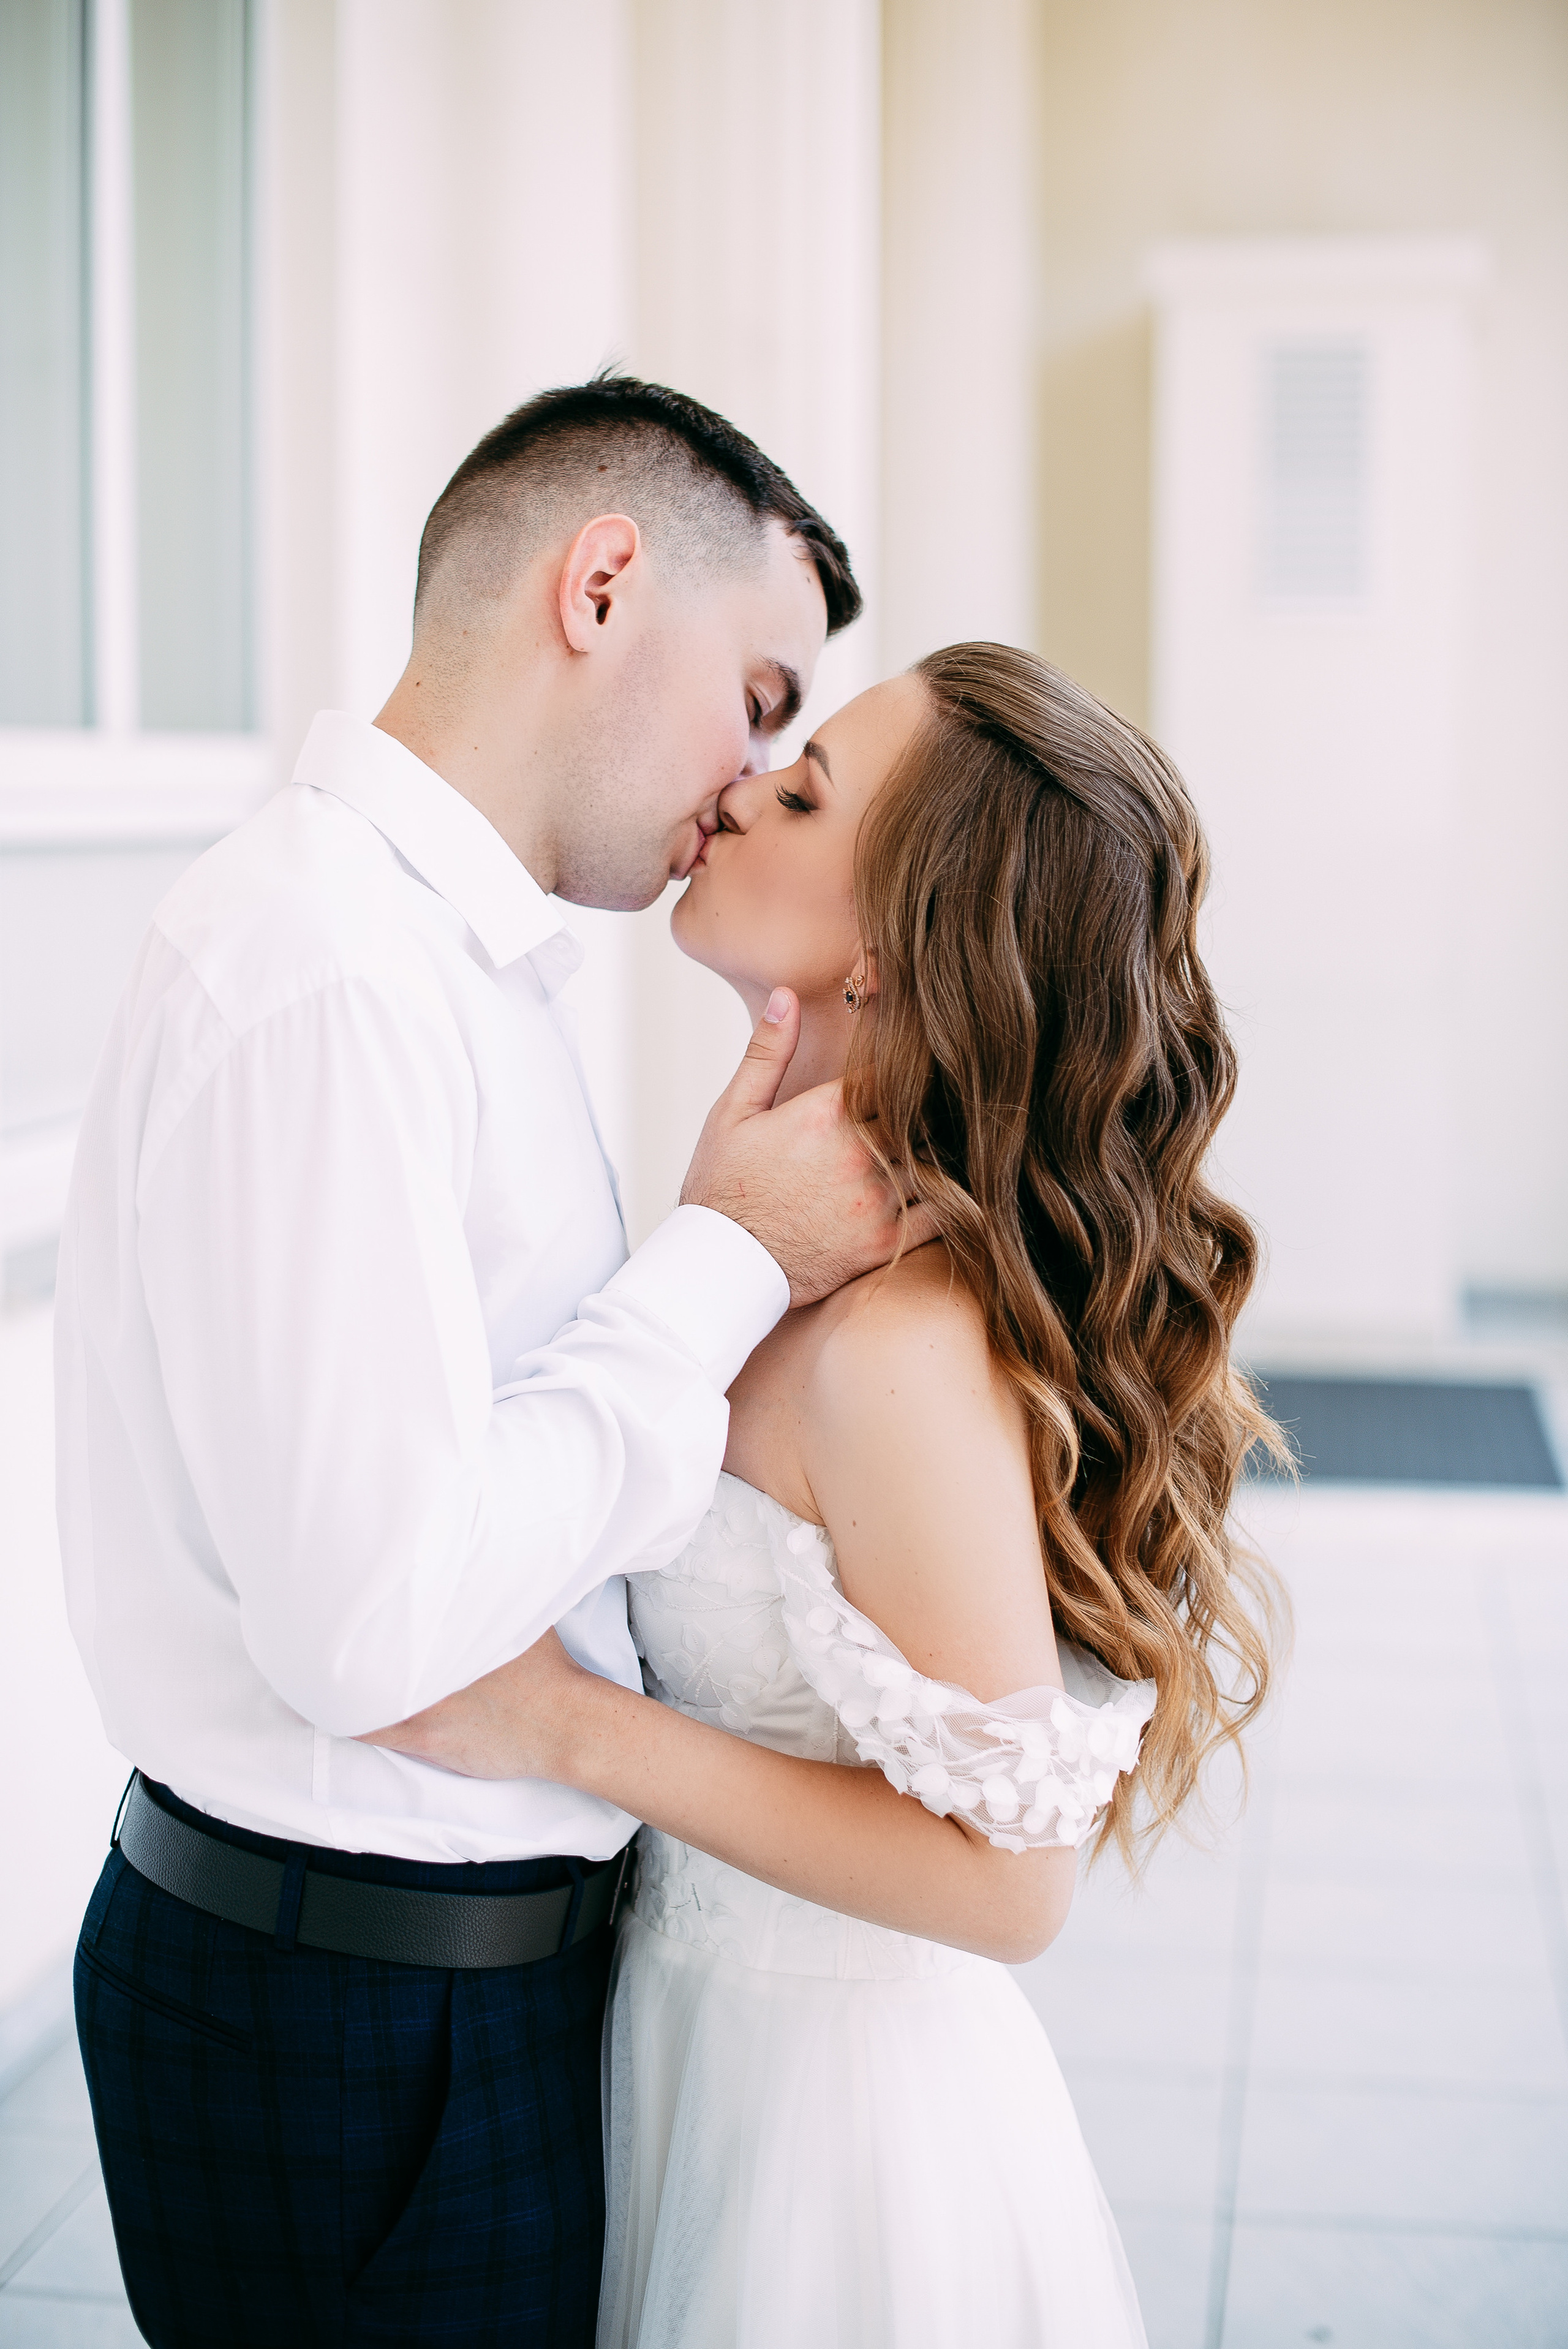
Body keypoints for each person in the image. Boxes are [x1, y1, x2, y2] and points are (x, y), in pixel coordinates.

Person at [57, 377, 932, 2349]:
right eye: (765, 697)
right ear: (604, 583)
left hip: (433, 1990)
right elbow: (377, 1624)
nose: (751, 772)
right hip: (356, 2017)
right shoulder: (337, 975)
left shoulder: (448, 960)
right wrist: (724, 1260)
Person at [369, 643, 1287, 2347]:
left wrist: (570, 1731)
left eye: (800, 794)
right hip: (691, 2042)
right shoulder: (779, 1254)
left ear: (892, 949)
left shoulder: (898, 1348)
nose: (733, 788)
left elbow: (1016, 1886)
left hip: (834, 2120)